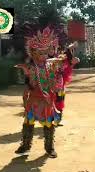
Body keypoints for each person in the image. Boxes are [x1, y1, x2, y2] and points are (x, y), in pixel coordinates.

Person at [15, 26, 79, 158]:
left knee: (48, 124)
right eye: (40, 53)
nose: (44, 56)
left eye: (45, 53)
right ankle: (25, 146)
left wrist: (71, 56)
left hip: (47, 99)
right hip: (33, 99)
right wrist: (26, 77)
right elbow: (29, 83)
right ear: (33, 53)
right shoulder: (31, 67)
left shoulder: (51, 64)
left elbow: (64, 59)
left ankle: (49, 148)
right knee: (28, 122)